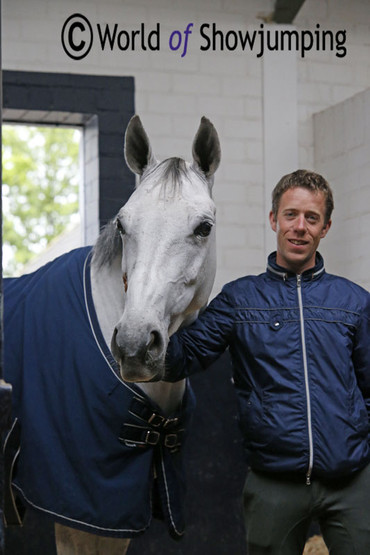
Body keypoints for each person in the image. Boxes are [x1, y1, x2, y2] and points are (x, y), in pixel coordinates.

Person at [165, 169, 370, 554]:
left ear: (325, 228)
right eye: (291, 215)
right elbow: (182, 358)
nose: (300, 227)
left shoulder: (354, 302)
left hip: (352, 481)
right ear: (274, 219)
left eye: (312, 218)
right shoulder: (239, 299)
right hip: (274, 481)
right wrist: (145, 310)